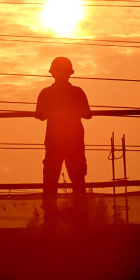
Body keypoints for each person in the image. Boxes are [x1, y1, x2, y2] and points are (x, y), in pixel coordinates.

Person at [35, 57, 92, 225]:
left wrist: (56, 112)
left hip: (58, 142)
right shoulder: (76, 92)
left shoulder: (47, 93)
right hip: (70, 142)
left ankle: (53, 216)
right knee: (76, 178)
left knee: (53, 178)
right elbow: (87, 114)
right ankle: (78, 216)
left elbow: (40, 115)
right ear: (70, 73)